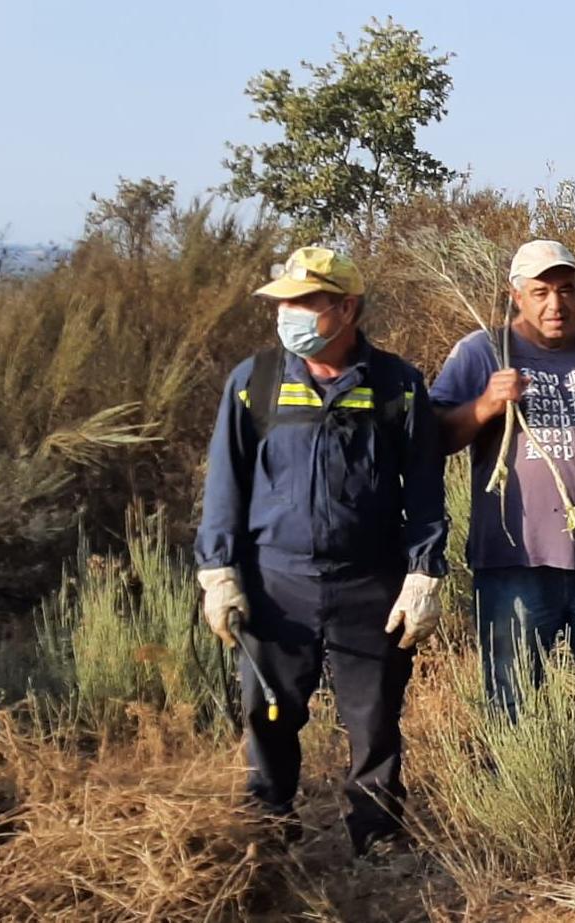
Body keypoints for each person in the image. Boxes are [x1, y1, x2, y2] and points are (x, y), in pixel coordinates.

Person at [195, 245, 447, 856]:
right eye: (284, 302)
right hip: (275, 581)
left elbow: (425, 487)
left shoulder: (397, 385)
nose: (289, 314)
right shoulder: (254, 381)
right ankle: (268, 830)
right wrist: (219, 572)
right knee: (271, 712)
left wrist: (424, 574)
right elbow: (225, 482)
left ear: (346, 308)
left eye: (305, 302)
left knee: (375, 719)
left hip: (371, 583)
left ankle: (377, 836)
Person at [430, 240, 575, 735]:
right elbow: (435, 436)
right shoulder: (482, 352)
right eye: (540, 292)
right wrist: (488, 405)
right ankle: (516, 801)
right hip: (513, 563)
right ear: (516, 296)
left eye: (566, 290)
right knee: (511, 700)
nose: (555, 304)